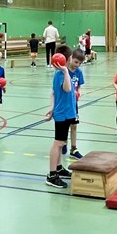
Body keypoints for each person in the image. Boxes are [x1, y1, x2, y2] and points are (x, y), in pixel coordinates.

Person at [43, 44, 75, 188]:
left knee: (62, 143)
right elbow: (67, 89)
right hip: (63, 114)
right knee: (58, 143)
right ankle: (52, 175)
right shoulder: (61, 74)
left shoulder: (60, 73)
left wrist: (52, 108)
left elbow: (53, 93)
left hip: (66, 112)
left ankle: (59, 168)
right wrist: (66, 72)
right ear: (68, 59)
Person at [66, 48, 86, 160]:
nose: (77, 65)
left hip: (74, 103)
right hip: (64, 103)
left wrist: (79, 92)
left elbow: (79, 86)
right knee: (64, 125)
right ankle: (63, 143)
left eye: (80, 63)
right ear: (71, 58)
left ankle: (73, 148)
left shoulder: (79, 72)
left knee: (74, 125)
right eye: (76, 62)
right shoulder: (64, 71)